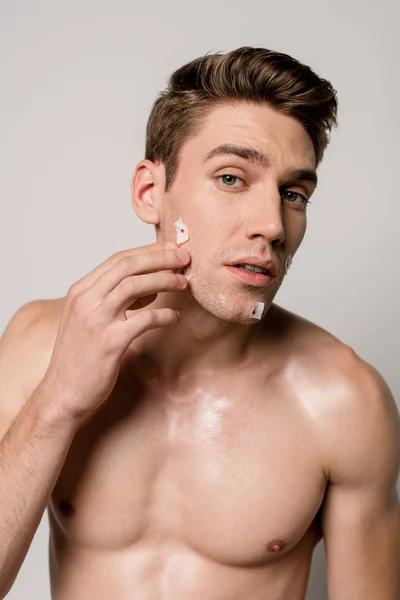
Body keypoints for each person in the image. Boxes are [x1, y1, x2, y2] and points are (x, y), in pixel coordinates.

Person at [0, 46, 399, 600]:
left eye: (293, 194)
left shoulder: (342, 400)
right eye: (232, 178)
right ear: (150, 193)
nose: (272, 225)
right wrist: (58, 402)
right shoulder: (37, 347)